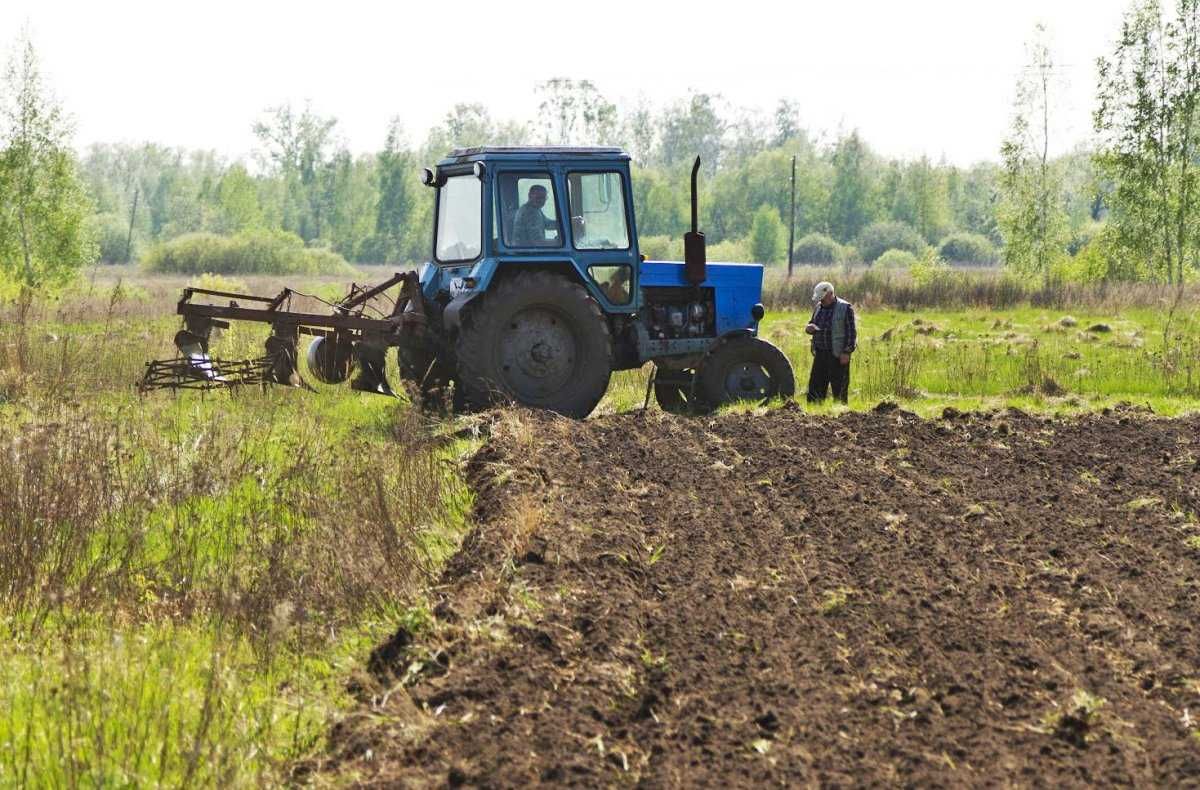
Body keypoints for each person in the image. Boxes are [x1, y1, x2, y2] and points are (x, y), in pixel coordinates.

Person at [805, 280, 856, 403]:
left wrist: (847, 352)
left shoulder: (845, 308)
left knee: (839, 388)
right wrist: (809, 328)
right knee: (815, 387)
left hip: (838, 354)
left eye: (822, 298)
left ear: (830, 294)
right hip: (820, 353)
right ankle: (814, 411)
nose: (821, 301)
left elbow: (851, 332)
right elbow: (811, 323)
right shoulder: (818, 307)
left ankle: (839, 412)